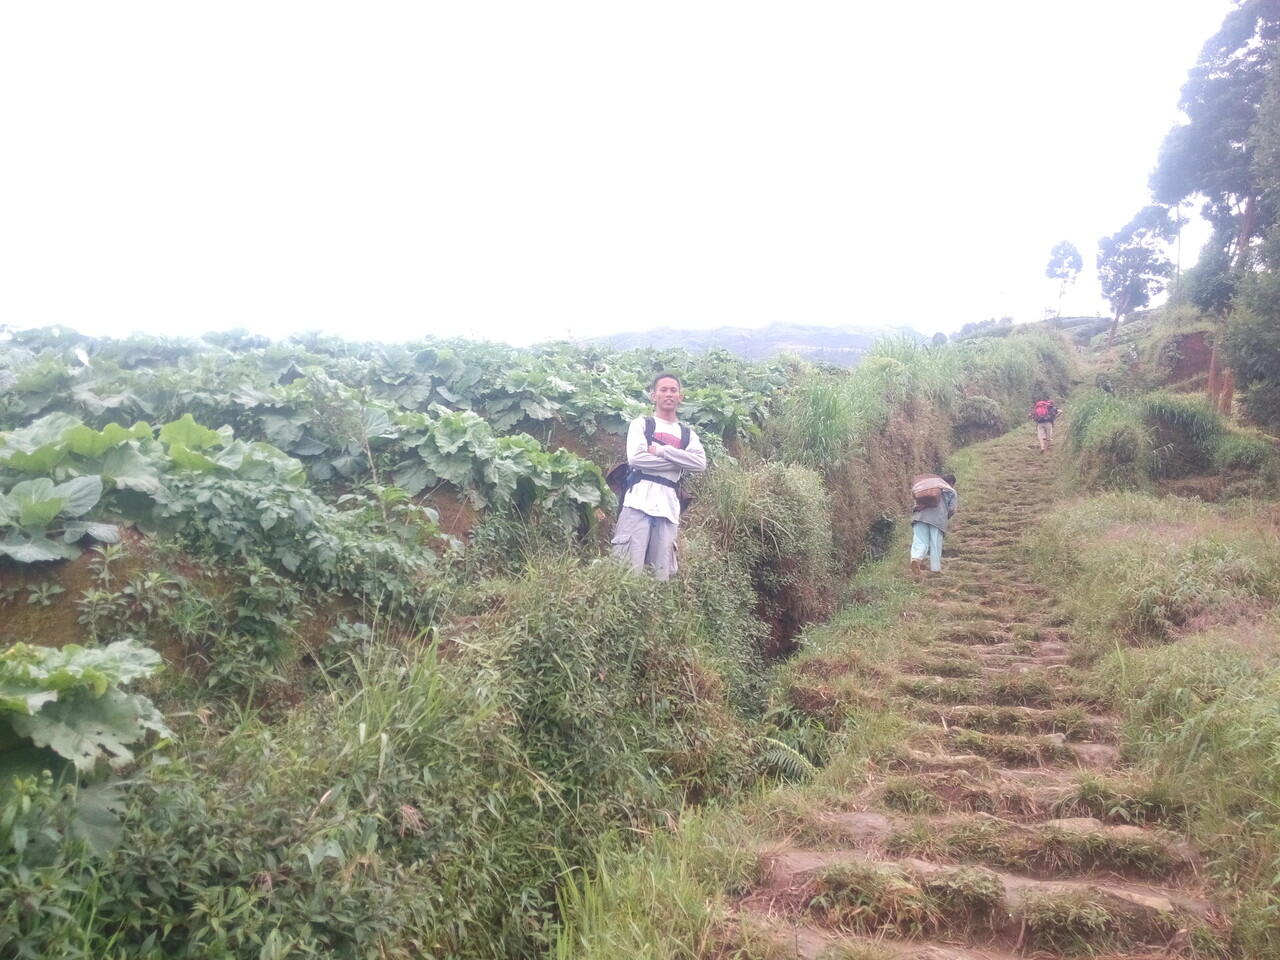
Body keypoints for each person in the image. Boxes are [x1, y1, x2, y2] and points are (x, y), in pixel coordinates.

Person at [610, 373, 707, 581]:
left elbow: (700, 463)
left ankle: (653, 614)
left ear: (680, 397)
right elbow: (636, 459)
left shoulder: (688, 434)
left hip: (668, 509)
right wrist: (680, 461)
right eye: (663, 390)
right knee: (626, 574)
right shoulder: (642, 424)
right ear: (653, 396)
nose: (668, 394)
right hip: (637, 503)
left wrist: (663, 452)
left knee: (661, 578)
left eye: (673, 390)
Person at [909, 472, 957, 575]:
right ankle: (935, 569)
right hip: (938, 520)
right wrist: (946, 518)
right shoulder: (950, 491)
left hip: (920, 517)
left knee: (920, 541)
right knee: (935, 544)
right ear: (952, 483)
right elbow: (952, 509)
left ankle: (916, 559)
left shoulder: (927, 488)